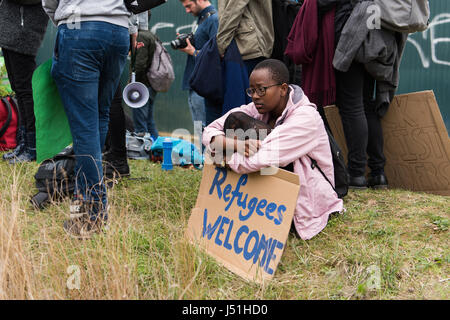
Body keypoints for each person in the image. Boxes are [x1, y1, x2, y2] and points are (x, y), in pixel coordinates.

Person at [202, 59, 343, 240]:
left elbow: (257, 161)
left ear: (283, 89)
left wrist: (221, 156)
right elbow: (209, 131)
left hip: (305, 202)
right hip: (270, 195)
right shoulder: (257, 108)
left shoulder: (306, 118)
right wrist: (235, 145)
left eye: (261, 89)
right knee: (236, 118)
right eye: (251, 90)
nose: (255, 96)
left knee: (248, 144)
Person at [43, 0, 131, 239]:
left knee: (86, 124)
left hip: (78, 27)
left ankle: (92, 215)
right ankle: (83, 196)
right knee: (99, 116)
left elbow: (49, 2)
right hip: (118, 30)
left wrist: (63, 20)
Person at [0, 0, 48, 163]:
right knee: (19, 89)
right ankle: (24, 142)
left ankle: (32, 146)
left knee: (27, 91)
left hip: (24, 32)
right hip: (11, 31)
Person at [177, 0, 218, 128]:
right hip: (196, 85)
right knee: (200, 130)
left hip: (204, 86)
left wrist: (192, 51)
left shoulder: (214, 19)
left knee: (206, 130)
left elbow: (216, 55)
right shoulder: (203, 19)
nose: (187, 11)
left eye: (189, 6)